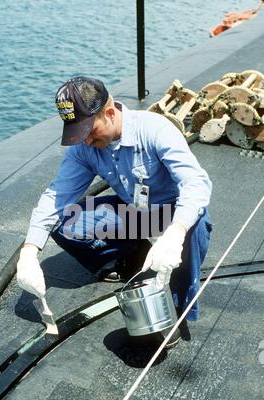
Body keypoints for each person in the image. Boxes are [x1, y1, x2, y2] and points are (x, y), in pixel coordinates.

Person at [17, 76, 212, 337]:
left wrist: (175, 234)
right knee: (66, 223)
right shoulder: (83, 149)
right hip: (136, 213)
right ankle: (132, 253)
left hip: (172, 213)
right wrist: (29, 252)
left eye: (89, 131)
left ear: (110, 113)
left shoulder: (155, 130)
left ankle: (179, 306)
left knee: (194, 224)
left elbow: (196, 184)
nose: (84, 141)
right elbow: (56, 196)